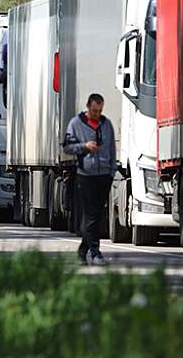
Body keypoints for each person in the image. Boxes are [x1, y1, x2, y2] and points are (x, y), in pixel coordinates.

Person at [63, 93, 117, 266]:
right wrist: (84, 147)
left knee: (97, 215)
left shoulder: (106, 124)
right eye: (94, 111)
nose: (97, 114)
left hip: (104, 175)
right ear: (88, 107)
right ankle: (95, 253)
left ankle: (82, 252)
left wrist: (112, 171)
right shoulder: (76, 124)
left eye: (100, 111)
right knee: (90, 215)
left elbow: (112, 148)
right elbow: (67, 147)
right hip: (85, 174)